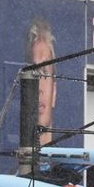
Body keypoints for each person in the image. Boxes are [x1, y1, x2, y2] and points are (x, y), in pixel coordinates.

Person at [26, 17, 57, 147]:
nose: (39, 87)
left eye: (44, 72)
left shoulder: (68, 157)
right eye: (34, 72)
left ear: (54, 92)